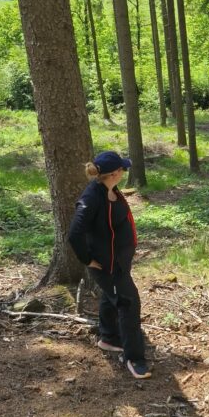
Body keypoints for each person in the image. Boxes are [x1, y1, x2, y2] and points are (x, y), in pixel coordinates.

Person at [68, 151, 151, 380]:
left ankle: (108, 338)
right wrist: (88, 260)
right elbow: (75, 233)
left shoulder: (110, 190)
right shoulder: (92, 197)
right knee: (128, 302)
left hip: (119, 262)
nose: (124, 172)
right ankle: (135, 359)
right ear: (114, 173)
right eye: (122, 169)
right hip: (107, 266)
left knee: (110, 295)